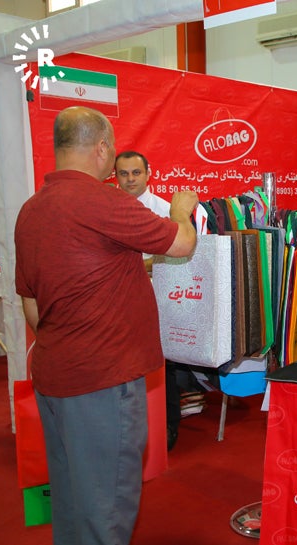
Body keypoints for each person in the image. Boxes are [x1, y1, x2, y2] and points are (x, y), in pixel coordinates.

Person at [14, 106, 198, 545]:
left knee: (72, 498)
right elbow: (182, 243)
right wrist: (181, 210)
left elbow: (30, 304)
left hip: (55, 375)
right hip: (103, 381)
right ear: (101, 149)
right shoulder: (104, 201)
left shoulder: (30, 210)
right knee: (106, 508)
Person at [114, 150, 181, 452]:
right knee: (123, 365)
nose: (130, 179)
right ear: (115, 177)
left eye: (136, 173)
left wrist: (134, 267)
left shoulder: (166, 211)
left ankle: (167, 427)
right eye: (123, 173)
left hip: (157, 300)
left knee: (162, 365)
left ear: (148, 174)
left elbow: (174, 256)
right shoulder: (108, 210)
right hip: (117, 302)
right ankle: (127, 428)